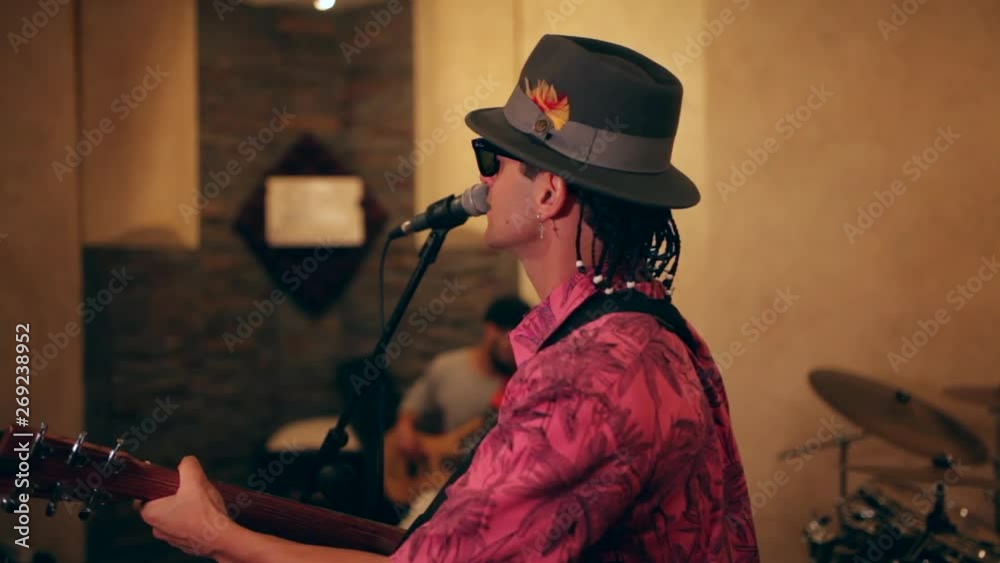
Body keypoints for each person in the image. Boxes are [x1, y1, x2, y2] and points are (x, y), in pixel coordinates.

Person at [141, 34, 760, 562]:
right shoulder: (642, 333)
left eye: (496, 160)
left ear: (549, 194)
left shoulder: (593, 376)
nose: (483, 181)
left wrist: (215, 536)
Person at [394, 295, 529, 459]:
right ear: (491, 331)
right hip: (444, 473)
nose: (517, 350)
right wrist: (405, 430)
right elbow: (410, 409)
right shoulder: (446, 367)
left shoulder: (522, 381)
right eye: (513, 340)